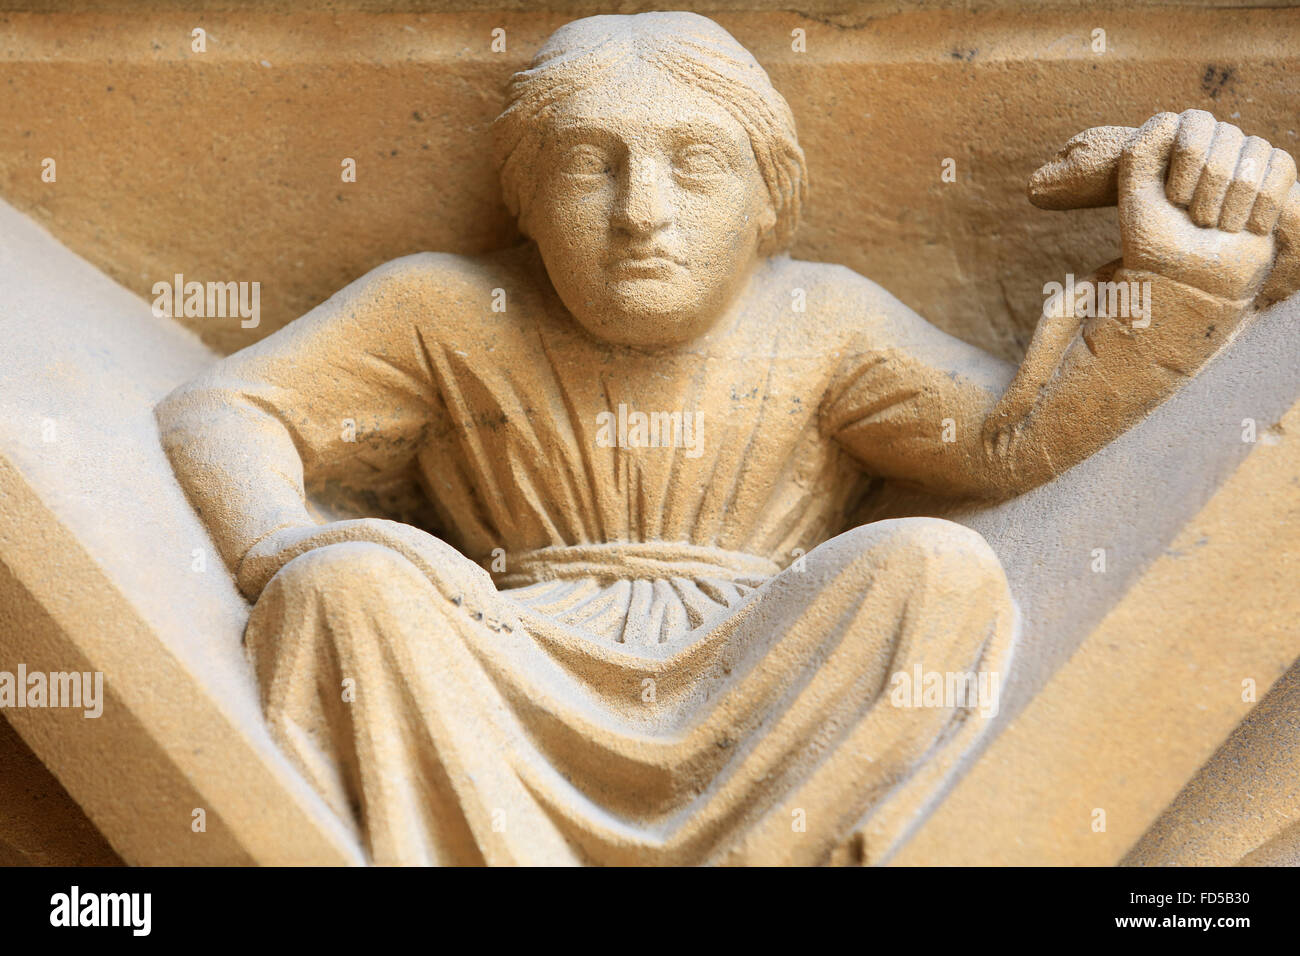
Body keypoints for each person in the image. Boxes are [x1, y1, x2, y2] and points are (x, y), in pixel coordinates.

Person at [157, 12, 1298, 864]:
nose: (641, 207)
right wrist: (277, 544)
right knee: (345, 584)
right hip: (503, 652)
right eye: (587, 162)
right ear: (520, 200)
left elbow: (1007, 441)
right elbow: (222, 405)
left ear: (770, 202)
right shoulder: (442, 305)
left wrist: (1179, 270)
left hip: (762, 657)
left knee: (931, 566)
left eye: (694, 163)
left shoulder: (822, 313)